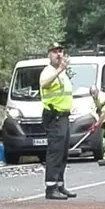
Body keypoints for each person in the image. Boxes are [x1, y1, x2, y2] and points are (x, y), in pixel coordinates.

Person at [39, 43, 76, 200]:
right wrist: (60, 70)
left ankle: (60, 185)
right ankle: (51, 187)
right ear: (49, 55)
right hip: (54, 116)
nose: (59, 54)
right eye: (55, 52)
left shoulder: (62, 73)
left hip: (63, 117)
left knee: (63, 153)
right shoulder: (49, 71)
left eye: (61, 51)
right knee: (55, 152)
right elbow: (44, 84)